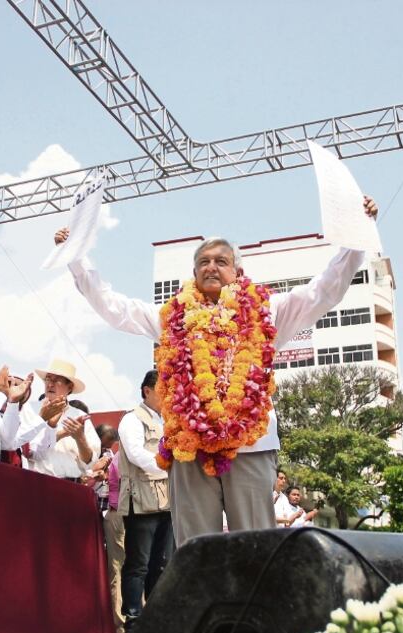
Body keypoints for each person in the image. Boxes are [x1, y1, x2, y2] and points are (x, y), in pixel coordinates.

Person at [54, 196, 377, 544]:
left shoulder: (267, 312)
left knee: (255, 547)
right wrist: (76, 258)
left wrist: (356, 237)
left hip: (250, 447)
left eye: (221, 261)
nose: (211, 267)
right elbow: (113, 307)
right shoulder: (171, 318)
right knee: (196, 550)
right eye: (203, 262)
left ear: (237, 272)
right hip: (189, 450)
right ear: (193, 274)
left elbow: (324, 291)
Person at [116, 370, 174, 632]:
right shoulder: (131, 419)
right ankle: (134, 618)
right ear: (146, 390)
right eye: (163, 388)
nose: (168, 395)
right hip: (141, 499)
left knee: (161, 562)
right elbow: (136, 453)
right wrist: (171, 468)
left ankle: (157, 615)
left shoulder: (169, 421)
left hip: (167, 500)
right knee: (138, 562)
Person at [23, 359, 101, 480]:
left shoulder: (80, 416)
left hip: (71, 487)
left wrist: (80, 438)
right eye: (48, 379)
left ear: (69, 387)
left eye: (56, 380)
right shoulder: (30, 409)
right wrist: (59, 433)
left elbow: (90, 463)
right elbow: (29, 451)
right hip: (36, 482)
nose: (50, 384)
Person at [97, 425, 126, 633]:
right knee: (117, 568)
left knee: (126, 568)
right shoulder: (119, 459)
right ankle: (118, 621)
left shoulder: (115, 457)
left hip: (120, 513)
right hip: (117, 514)